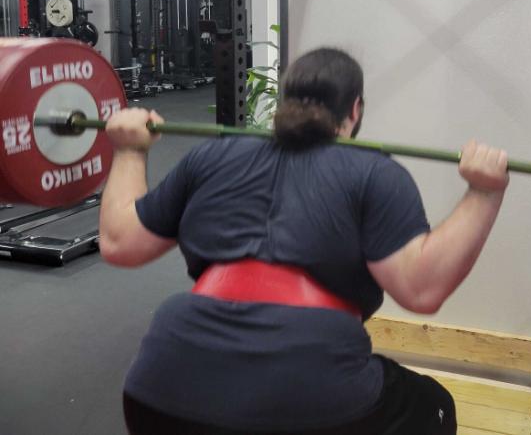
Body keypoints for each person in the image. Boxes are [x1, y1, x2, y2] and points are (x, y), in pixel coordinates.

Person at [99, 47, 510, 435]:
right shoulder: (374, 172)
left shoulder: (211, 156)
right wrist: (484, 193)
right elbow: (421, 289)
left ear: (285, 101)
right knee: (435, 407)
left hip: (159, 390)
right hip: (307, 393)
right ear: (355, 109)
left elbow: (120, 243)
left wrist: (129, 151)